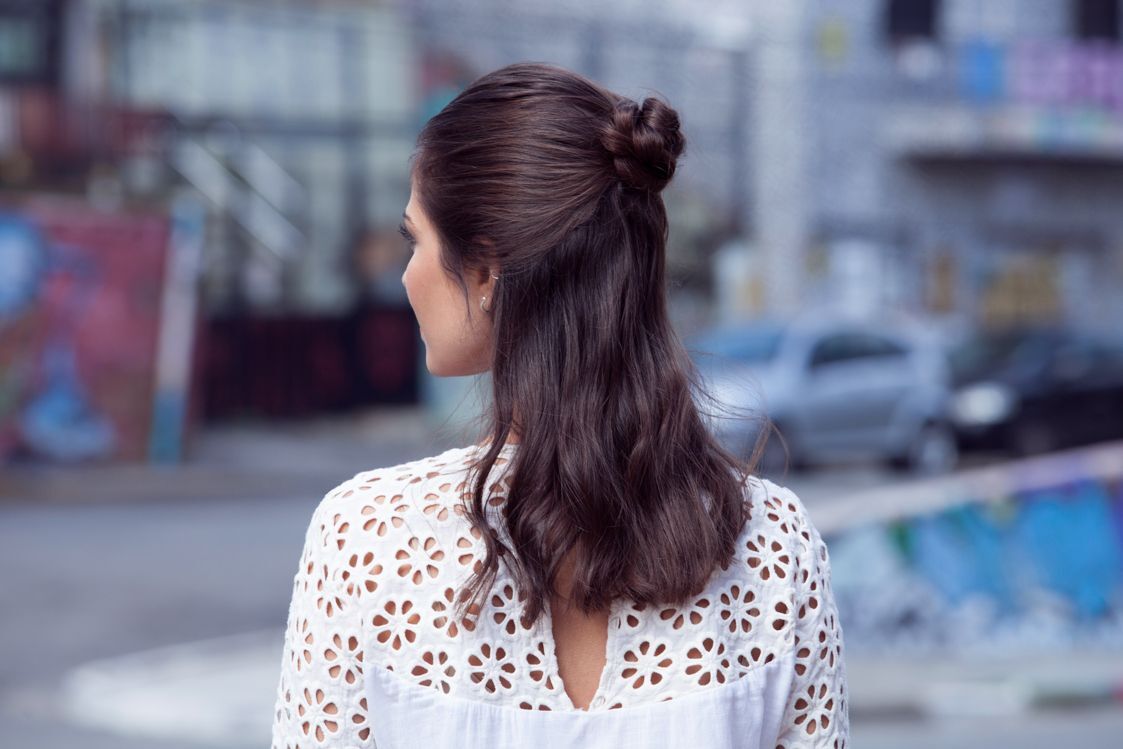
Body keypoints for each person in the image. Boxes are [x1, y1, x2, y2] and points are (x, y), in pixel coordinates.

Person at [270, 62, 848, 749]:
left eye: (414, 239)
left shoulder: (364, 539)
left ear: (484, 271)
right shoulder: (774, 548)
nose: (405, 274)